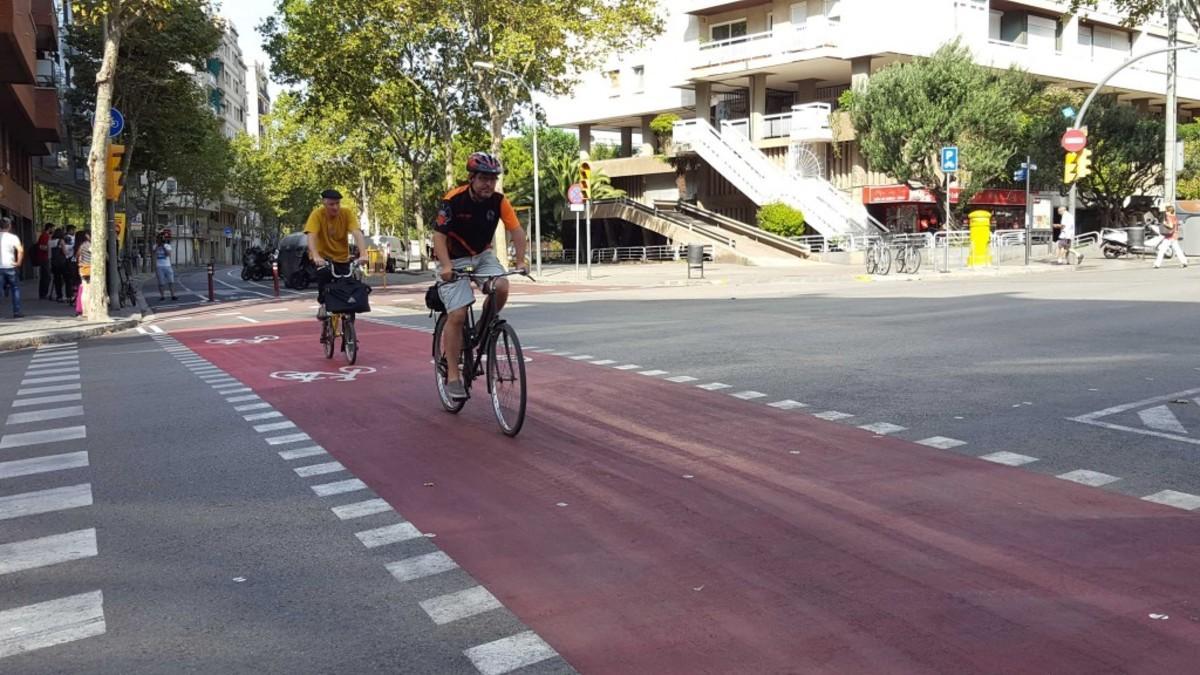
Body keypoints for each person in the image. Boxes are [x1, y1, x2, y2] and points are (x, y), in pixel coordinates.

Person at [433, 152, 528, 400]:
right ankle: (453, 375)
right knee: (458, 313)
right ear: (472, 178)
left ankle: (482, 331)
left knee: (502, 286)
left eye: (493, 179)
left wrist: (520, 260)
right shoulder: (453, 200)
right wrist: (445, 266)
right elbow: (439, 236)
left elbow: (516, 231)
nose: (489, 184)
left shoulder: (499, 201)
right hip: (453, 260)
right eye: (484, 178)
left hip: (482, 256)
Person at [304, 189, 368, 321]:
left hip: (342, 258)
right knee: (324, 276)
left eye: (338, 203)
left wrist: (363, 254)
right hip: (323, 258)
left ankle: (349, 331)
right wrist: (315, 256)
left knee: (350, 285)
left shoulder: (346, 213)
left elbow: (356, 233)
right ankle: (323, 304)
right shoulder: (317, 215)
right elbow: (311, 236)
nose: (335, 207)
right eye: (331, 204)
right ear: (324, 204)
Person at [0, 217, 25, 318]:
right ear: (9, 226)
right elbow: (20, 250)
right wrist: (18, 262)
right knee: (15, 289)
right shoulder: (13, 237)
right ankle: (17, 311)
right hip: (10, 266)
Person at [154, 232, 178, 300]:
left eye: (162, 239)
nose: (160, 240)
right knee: (161, 283)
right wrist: (158, 246)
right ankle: (162, 296)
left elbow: (168, 254)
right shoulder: (155, 246)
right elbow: (153, 253)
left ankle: (173, 295)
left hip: (168, 266)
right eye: (159, 239)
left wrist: (163, 246)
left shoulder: (167, 246)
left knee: (171, 282)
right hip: (159, 267)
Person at [74, 232, 91, 317]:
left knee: (84, 290)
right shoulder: (89, 244)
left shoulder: (80, 246)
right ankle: (87, 310)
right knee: (88, 290)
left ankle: (83, 310)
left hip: (82, 268)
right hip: (89, 268)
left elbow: (77, 255)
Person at [35, 222, 52, 299]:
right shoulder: (45, 236)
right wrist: (49, 249)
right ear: (49, 228)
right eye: (52, 228)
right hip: (44, 259)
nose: (53, 230)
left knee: (44, 276)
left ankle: (42, 294)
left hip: (43, 258)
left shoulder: (44, 235)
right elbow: (41, 246)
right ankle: (43, 293)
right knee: (47, 276)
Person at [49, 227, 66, 302]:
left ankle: (59, 295)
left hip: (53, 262)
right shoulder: (61, 241)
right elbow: (65, 252)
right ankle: (67, 295)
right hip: (61, 262)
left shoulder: (50, 241)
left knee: (56, 279)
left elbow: (49, 253)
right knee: (66, 278)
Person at [62, 225, 78, 302]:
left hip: (70, 258)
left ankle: (70, 294)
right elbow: (67, 248)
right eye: (73, 230)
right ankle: (71, 294)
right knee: (71, 278)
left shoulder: (71, 237)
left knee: (70, 278)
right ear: (70, 230)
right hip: (70, 259)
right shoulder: (67, 238)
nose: (74, 232)